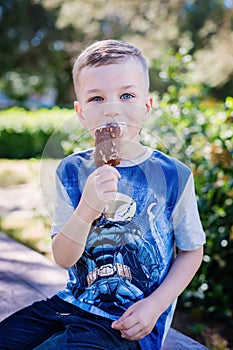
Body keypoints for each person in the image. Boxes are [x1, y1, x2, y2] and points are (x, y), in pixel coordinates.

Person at [0, 39, 205, 350]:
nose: (112, 107)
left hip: (126, 322)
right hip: (71, 303)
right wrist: (87, 208)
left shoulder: (174, 175)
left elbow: (192, 251)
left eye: (126, 95)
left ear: (146, 106)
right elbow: (63, 257)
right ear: (81, 113)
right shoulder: (71, 171)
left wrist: (155, 306)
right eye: (97, 98)